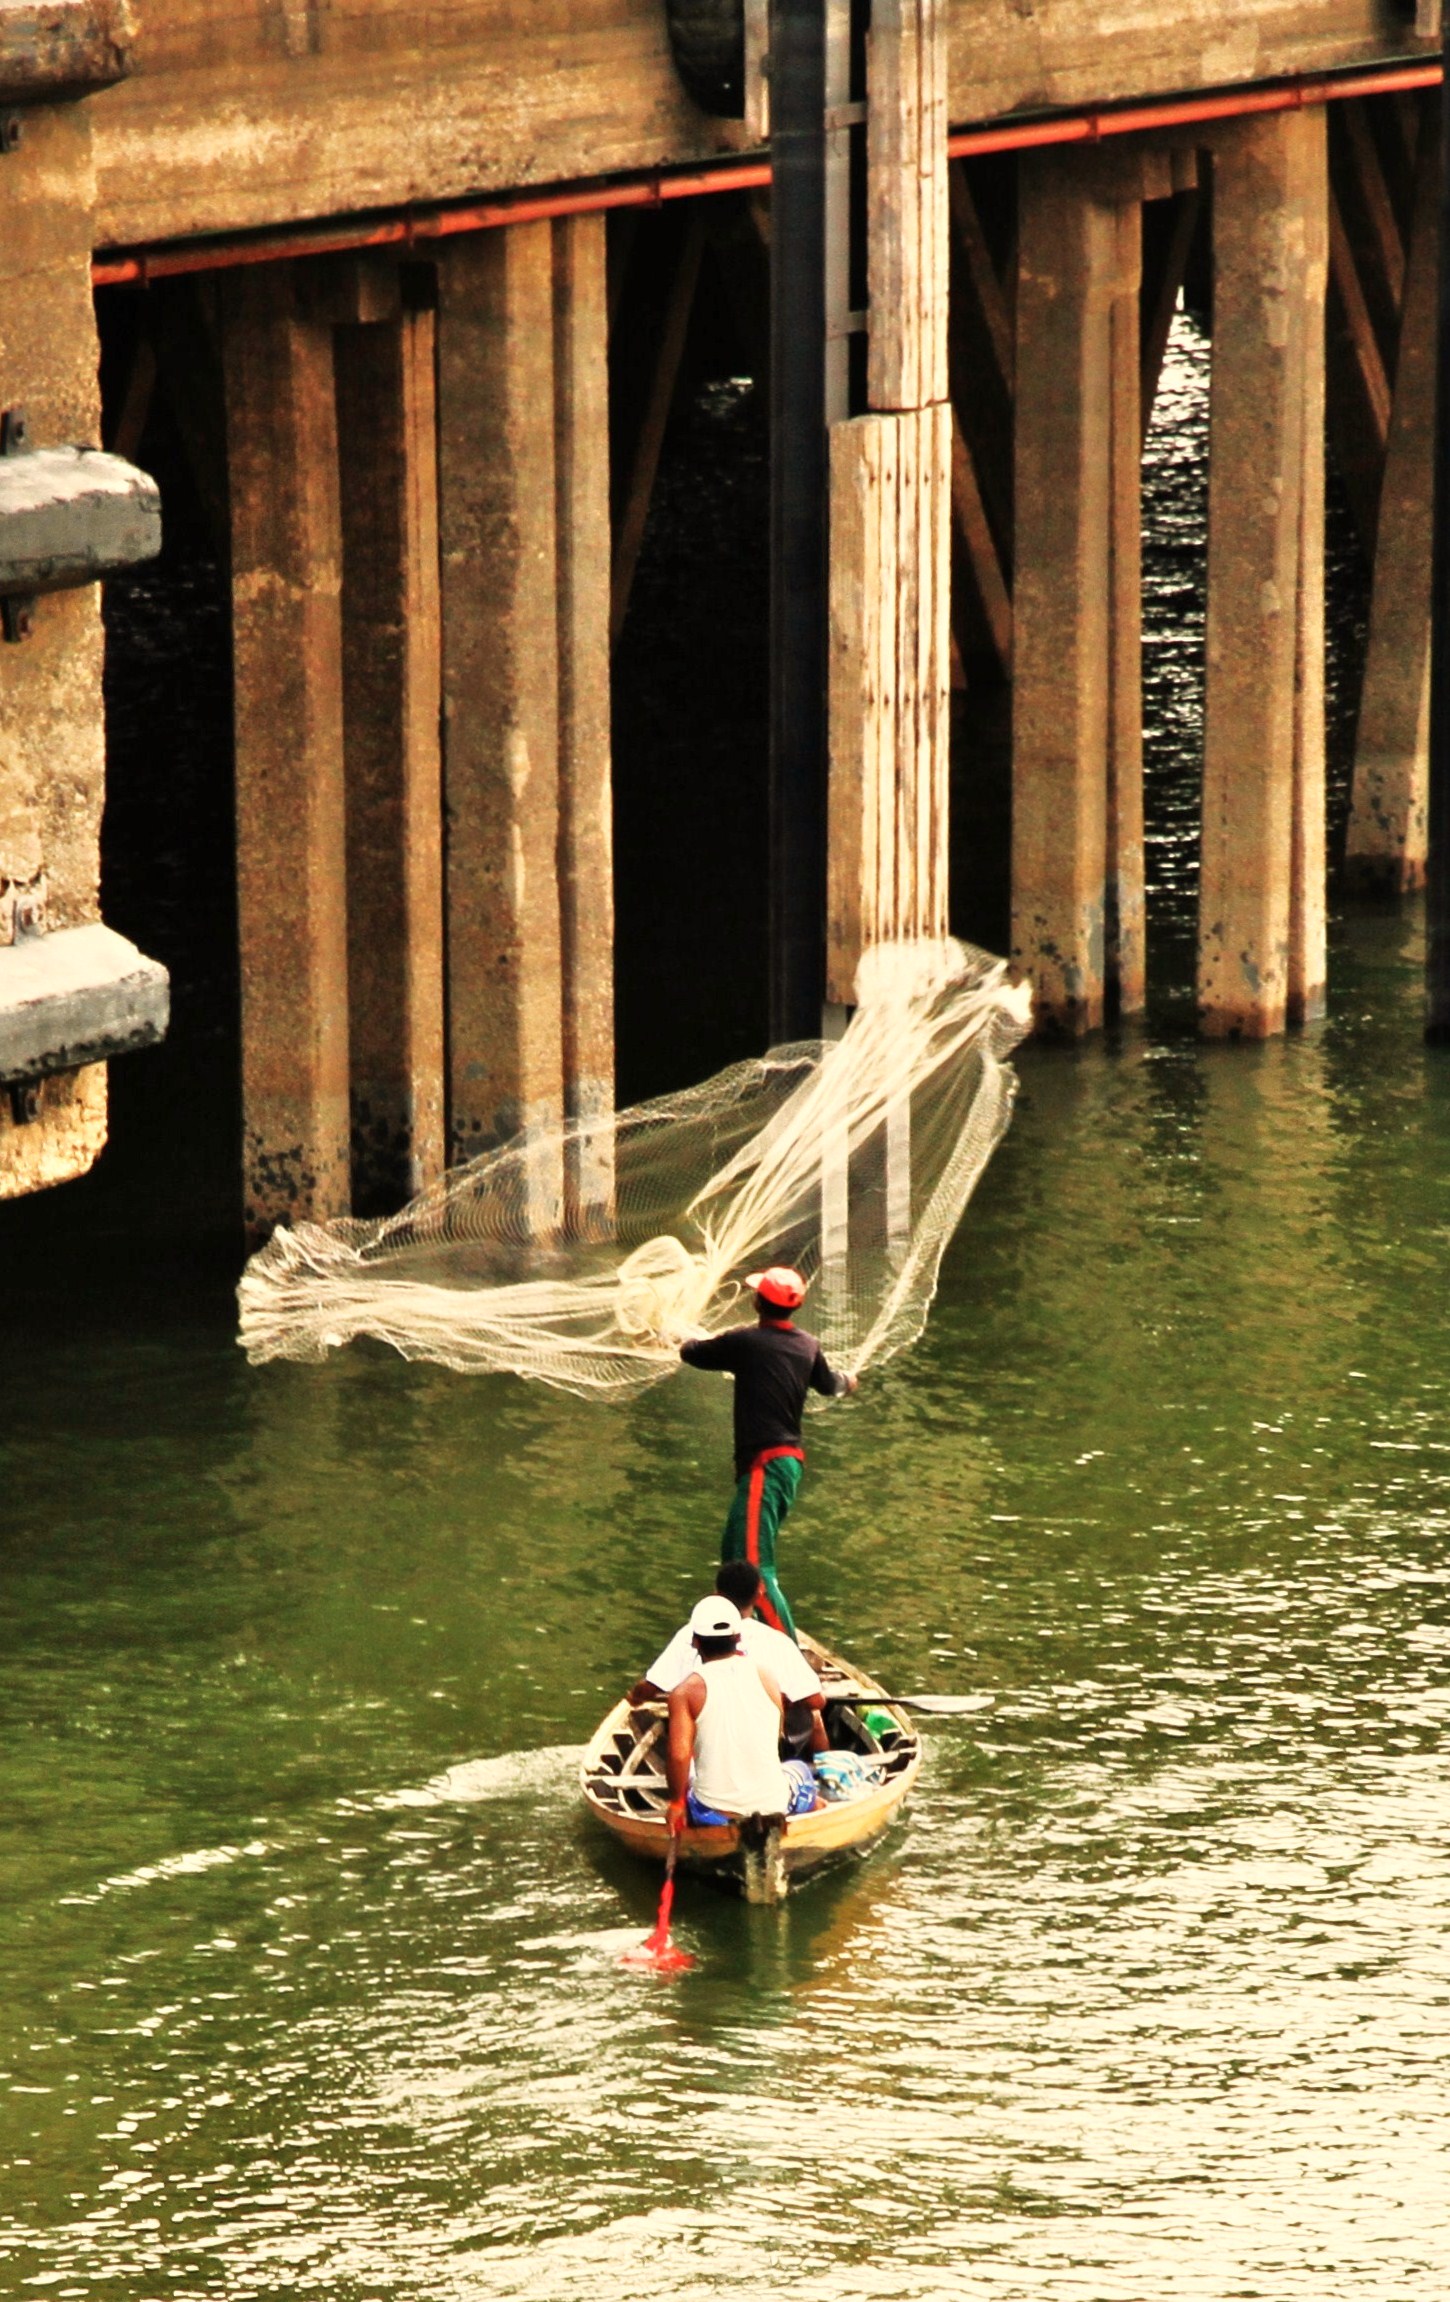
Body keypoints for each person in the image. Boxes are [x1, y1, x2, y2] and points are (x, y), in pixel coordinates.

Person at [678, 1265, 857, 1641]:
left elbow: (694, 1353)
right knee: (734, 1558)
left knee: (754, 1569)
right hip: (781, 1465)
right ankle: (733, 1641)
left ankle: (788, 1658)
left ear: (757, 1303)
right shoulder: (808, 1345)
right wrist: (848, 1381)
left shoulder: (747, 1342)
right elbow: (831, 1385)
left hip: (767, 1465)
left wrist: (671, 1333)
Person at [628, 1559, 830, 1753]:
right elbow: (816, 1701)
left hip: (706, 1737)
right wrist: (787, 1701)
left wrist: (633, 1697)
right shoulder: (776, 1641)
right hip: (762, 1741)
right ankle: (824, 1769)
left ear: (716, 1594)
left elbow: (651, 1687)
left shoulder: (691, 1633)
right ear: (759, 1593)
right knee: (814, 1716)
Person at [664, 1594, 818, 1831]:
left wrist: (676, 1803)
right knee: (800, 1769)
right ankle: (816, 1817)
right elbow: (776, 1734)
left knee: (693, 1781)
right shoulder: (767, 1677)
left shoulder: (684, 1693)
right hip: (775, 1805)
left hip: (713, 1812)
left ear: (695, 1641)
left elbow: (679, 1756)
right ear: (738, 1638)